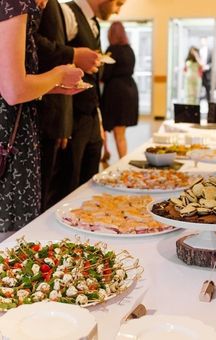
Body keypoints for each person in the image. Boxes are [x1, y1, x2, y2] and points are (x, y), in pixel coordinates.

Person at [0, 0, 84, 236]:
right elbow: (13, 89)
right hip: (9, 141)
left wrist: (52, 85)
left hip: (11, 133)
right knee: (13, 243)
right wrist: (59, 73)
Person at [35, 0, 100, 211]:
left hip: (55, 114)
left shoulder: (58, 7)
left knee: (50, 195)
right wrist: (73, 55)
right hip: (36, 114)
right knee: (45, 197)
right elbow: (33, 46)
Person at [61, 0, 127, 190]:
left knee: (90, 180)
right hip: (71, 116)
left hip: (90, 115)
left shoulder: (94, 23)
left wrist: (97, 119)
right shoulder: (67, 13)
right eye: (118, 3)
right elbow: (51, 57)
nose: (117, 11)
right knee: (69, 182)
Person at [101, 21, 139, 159]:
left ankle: (122, 161)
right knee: (121, 132)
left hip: (116, 91)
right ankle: (108, 153)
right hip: (130, 89)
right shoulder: (130, 50)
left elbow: (106, 74)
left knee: (112, 129)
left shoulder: (112, 50)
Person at [199, 37, 212, 103]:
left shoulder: (210, 51)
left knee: (208, 91)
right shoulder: (198, 51)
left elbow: (212, 62)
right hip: (199, 74)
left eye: (204, 41)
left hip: (207, 75)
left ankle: (209, 107)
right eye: (202, 41)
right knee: (198, 91)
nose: (203, 42)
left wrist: (207, 67)